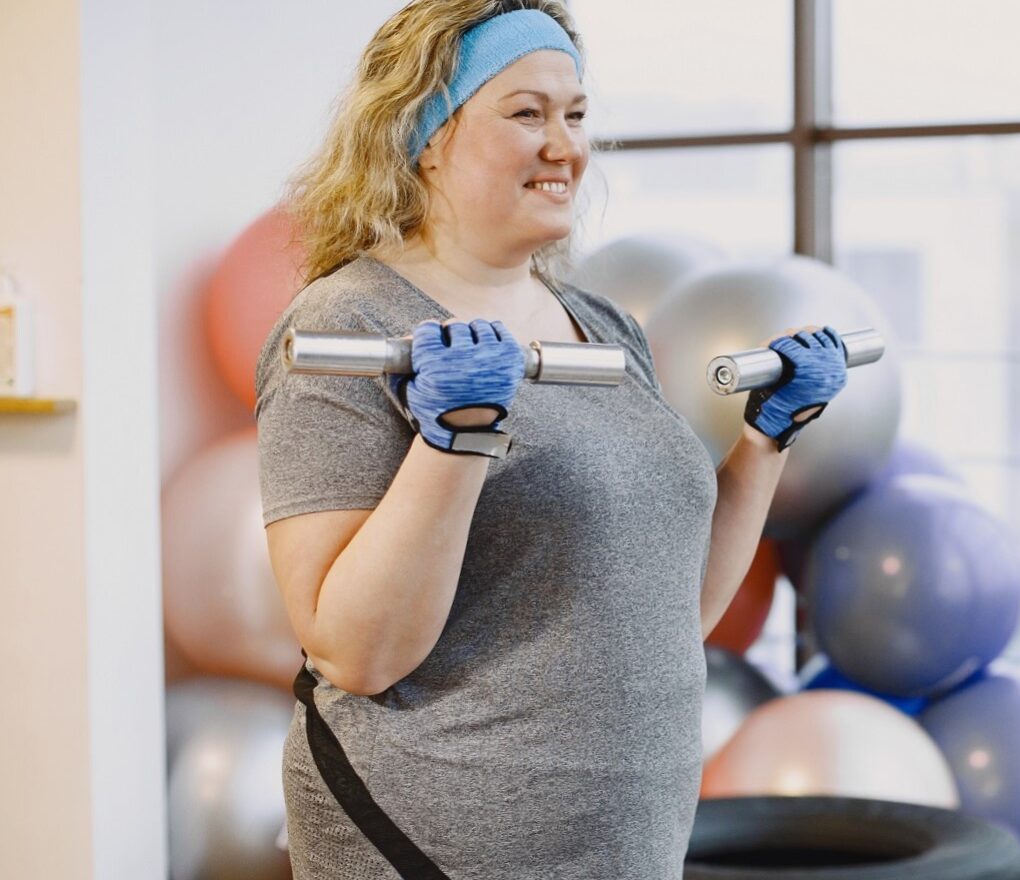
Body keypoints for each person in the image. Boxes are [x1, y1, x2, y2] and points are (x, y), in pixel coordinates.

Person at [253, 2, 847, 876]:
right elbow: (358, 651)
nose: (565, 145)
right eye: (526, 113)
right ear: (424, 135)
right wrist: (453, 442)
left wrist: (766, 440)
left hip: (620, 849)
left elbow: (669, 612)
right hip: (431, 844)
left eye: (575, 115)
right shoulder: (352, 321)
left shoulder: (600, 323)